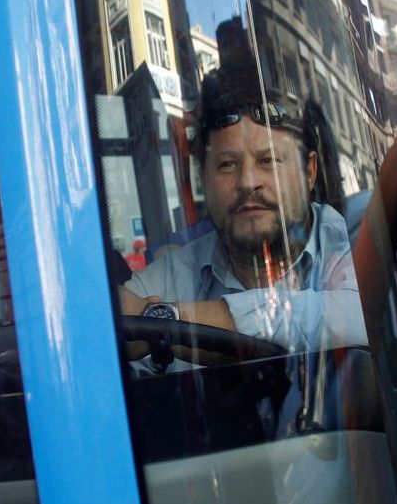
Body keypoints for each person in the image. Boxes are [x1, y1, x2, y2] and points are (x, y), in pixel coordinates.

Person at [119, 77, 365, 365]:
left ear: (309, 172)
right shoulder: (174, 274)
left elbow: (362, 316)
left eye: (268, 160)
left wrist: (162, 323)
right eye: (227, 164)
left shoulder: (353, 238)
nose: (248, 182)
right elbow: (99, 328)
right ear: (203, 181)